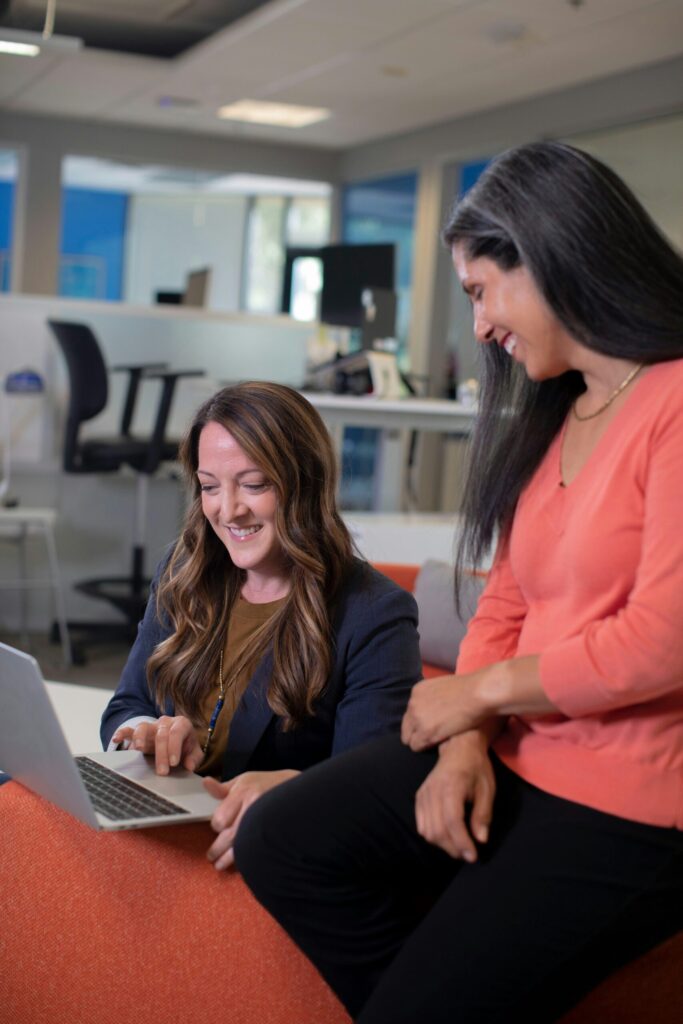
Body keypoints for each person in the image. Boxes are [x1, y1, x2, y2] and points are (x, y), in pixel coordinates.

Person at [233, 142, 683, 1023]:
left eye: (480, 290)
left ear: (552, 253)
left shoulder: (673, 404)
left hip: (630, 802)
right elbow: (506, 601)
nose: (477, 326)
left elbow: (663, 636)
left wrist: (477, 693)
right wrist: (466, 739)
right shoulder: (564, 408)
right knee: (282, 836)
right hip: (517, 755)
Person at [100, 381, 421, 870]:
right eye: (210, 486)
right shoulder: (184, 569)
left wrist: (290, 787)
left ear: (305, 483)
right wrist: (144, 732)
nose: (228, 510)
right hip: (158, 825)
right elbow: (127, 704)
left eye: (253, 485)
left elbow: (374, 788)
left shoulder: (374, 613)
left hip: (254, 850)